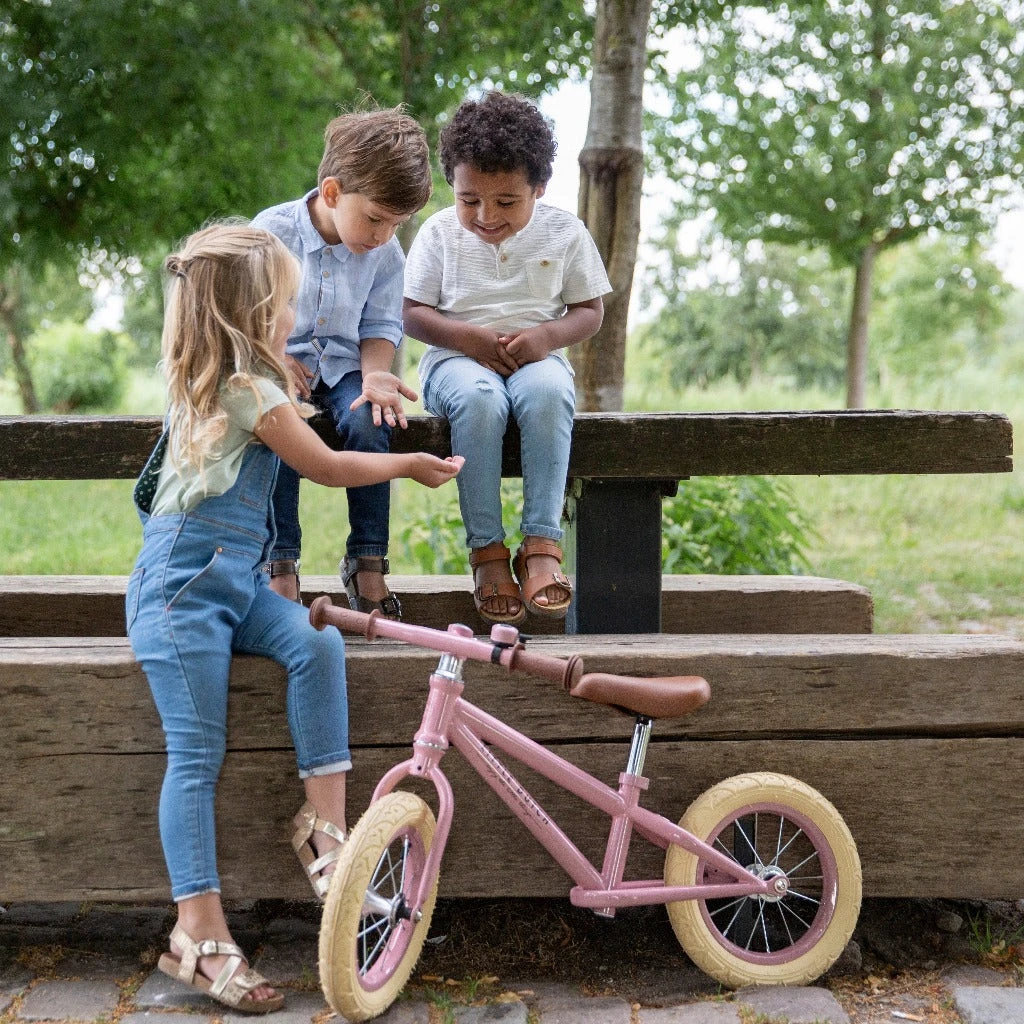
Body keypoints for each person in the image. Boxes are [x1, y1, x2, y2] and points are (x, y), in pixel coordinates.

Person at [126, 222, 461, 1014]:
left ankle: (325, 829)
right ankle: (196, 932)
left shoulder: (226, 381)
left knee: (318, 644)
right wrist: (410, 464)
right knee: (196, 753)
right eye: (286, 303)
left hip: (232, 584)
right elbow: (328, 466)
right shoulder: (248, 389)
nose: (296, 316)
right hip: (181, 592)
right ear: (255, 313)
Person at [403, 91, 611, 625]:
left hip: (537, 357)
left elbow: (589, 311)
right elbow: (411, 313)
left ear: (539, 188)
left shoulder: (565, 232)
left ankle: (541, 544)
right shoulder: (438, 234)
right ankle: (488, 552)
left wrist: (546, 337)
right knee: (480, 400)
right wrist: (468, 340)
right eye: (469, 199)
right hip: (455, 362)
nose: (485, 216)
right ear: (452, 184)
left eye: (506, 202)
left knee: (548, 392)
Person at [252, 106, 432, 616]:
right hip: (278, 363)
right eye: (375, 218)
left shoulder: (386, 255)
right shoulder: (271, 233)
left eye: (396, 224)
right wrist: (274, 358)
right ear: (332, 192)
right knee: (279, 429)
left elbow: (380, 325)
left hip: (346, 367)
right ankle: (279, 565)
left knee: (372, 423)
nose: (382, 235)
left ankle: (367, 560)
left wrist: (376, 376)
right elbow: (247, 311)